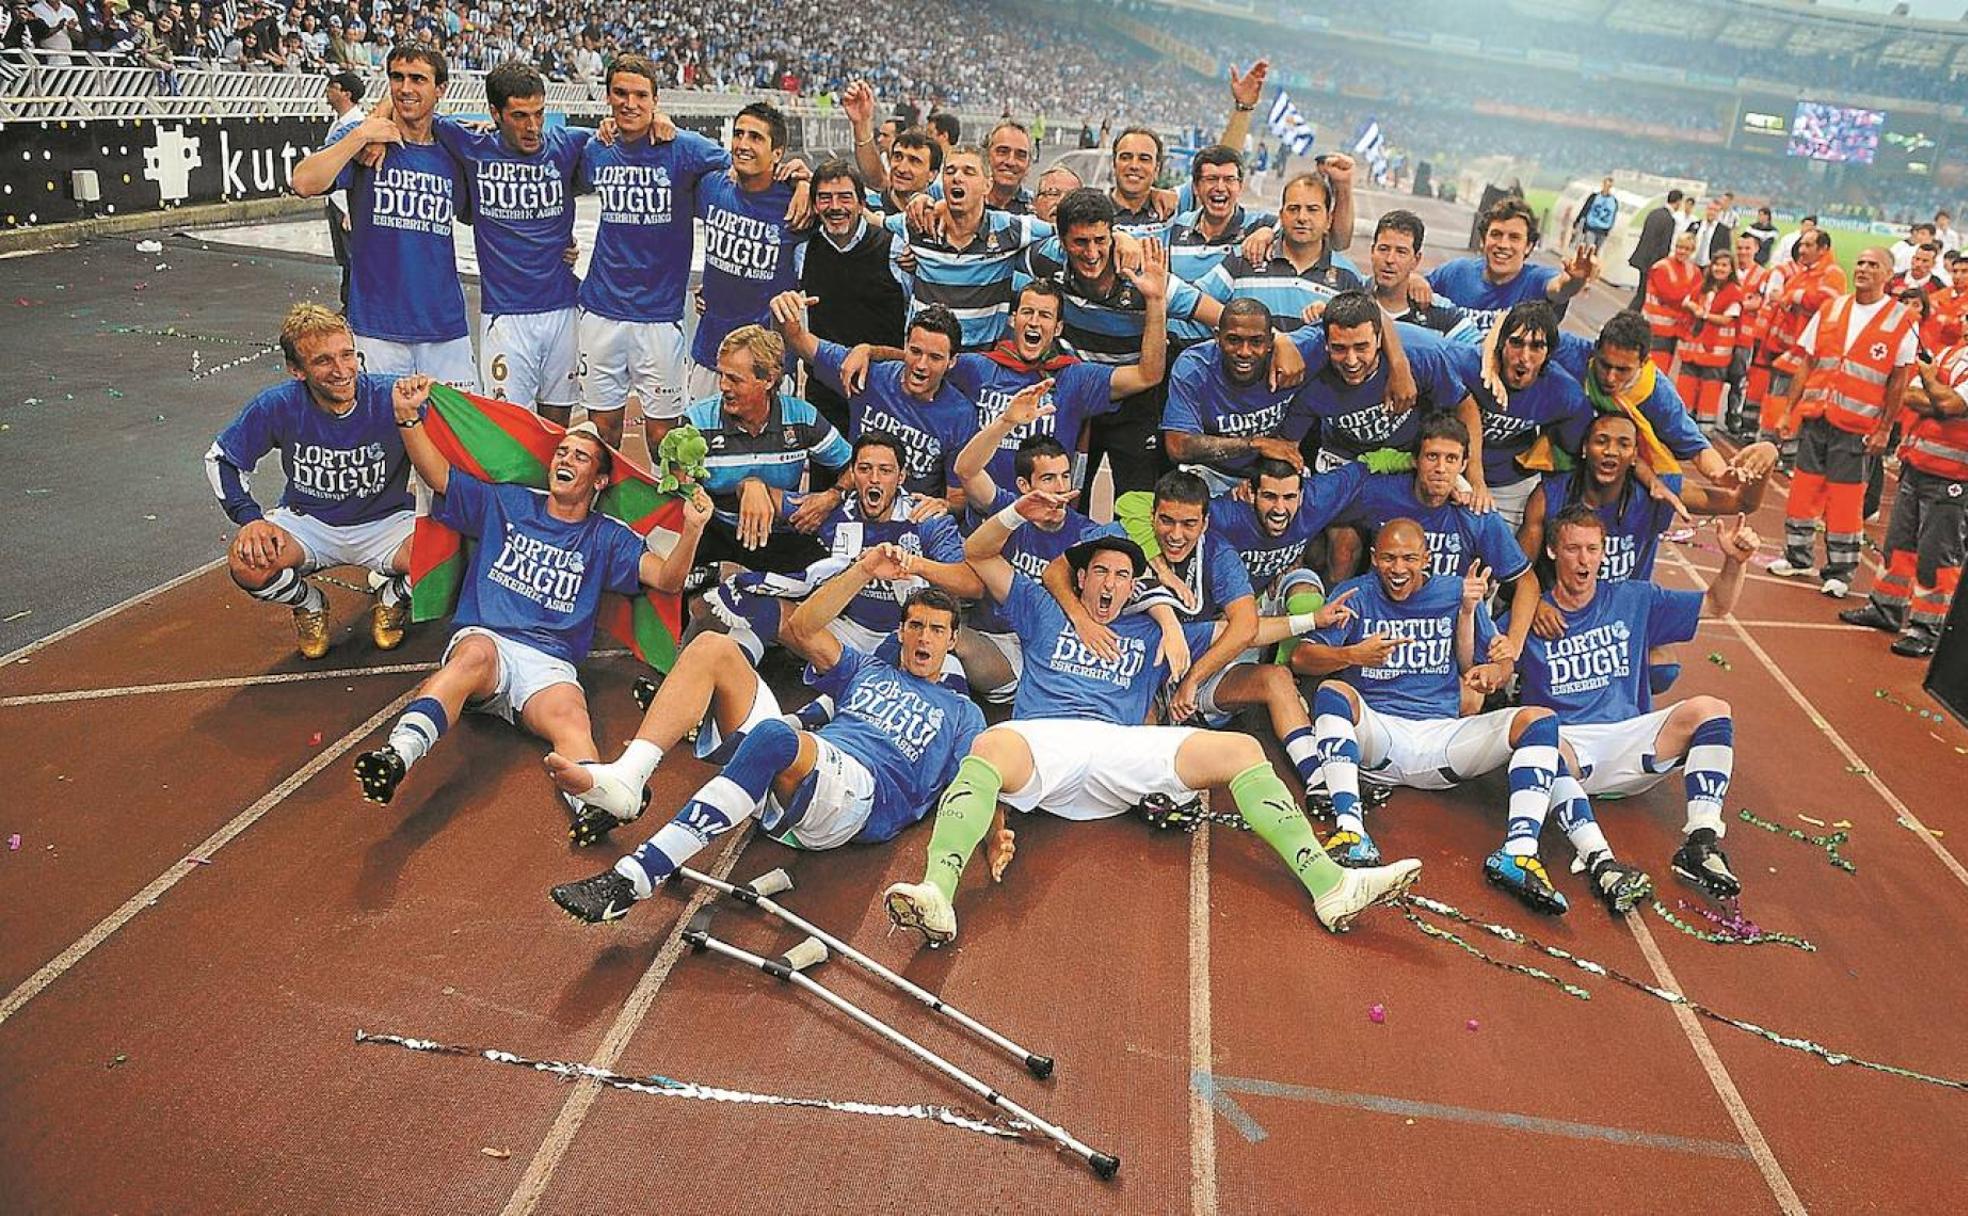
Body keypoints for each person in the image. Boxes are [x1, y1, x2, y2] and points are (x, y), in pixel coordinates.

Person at [881, 502, 1422, 944]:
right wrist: (1018, 512)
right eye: (1101, 572)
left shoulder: (1151, 632)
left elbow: (1251, 630)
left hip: (1123, 746)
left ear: (1135, 585)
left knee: (1240, 752)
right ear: (1083, 577)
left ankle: (1330, 887)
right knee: (991, 743)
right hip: (1046, 741)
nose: (1110, 583)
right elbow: (979, 553)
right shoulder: (1042, 606)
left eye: (1122, 574)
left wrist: (1311, 620)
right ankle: (936, 893)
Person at [547, 555, 986, 921]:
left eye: (936, 629)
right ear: (900, 632)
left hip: (861, 799)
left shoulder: (964, 713)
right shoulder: (868, 669)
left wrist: (995, 833)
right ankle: (627, 779)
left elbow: (980, 783)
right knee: (713, 649)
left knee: (776, 736)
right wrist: (864, 571)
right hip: (798, 777)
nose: (923, 637)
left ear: (952, 640)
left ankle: (634, 878)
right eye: (916, 626)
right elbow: (804, 629)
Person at [355, 382, 694, 810]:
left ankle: (592, 805)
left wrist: (694, 529)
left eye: (580, 457)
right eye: (562, 453)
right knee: (471, 657)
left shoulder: (607, 537)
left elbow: (667, 578)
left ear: (601, 480)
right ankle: (398, 754)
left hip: (550, 664)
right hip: (488, 643)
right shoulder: (509, 503)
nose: (565, 460)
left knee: (571, 715)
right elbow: (439, 476)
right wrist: (408, 417)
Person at [1292, 518, 1569, 914]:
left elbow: (1499, 660)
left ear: (1427, 559)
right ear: (1373, 559)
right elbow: (1302, 657)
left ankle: (1519, 853)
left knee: (1540, 721)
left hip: (1443, 739)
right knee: (1333, 692)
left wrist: (1494, 672)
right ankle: (1351, 831)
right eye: (1388, 558)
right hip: (1379, 738)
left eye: (1408, 558)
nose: (1398, 568)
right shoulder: (1355, 594)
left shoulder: (1457, 593)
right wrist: (1352, 655)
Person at [1513, 505, 1758, 903]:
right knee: (1538, 741)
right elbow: (1487, 661)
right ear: (1554, 552)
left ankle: (1702, 840)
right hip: (1570, 750)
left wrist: (1734, 561)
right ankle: (1600, 861)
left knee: (1711, 707)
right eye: (1573, 548)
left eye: (1593, 549)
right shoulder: (1529, 614)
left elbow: (1716, 605)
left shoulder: (1634, 598)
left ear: (1604, 552)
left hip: (1633, 740)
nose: (1584, 559)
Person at [205, 304, 415, 661]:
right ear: (296, 370)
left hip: (387, 521)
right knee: (247, 563)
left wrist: (435, 397)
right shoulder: (278, 405)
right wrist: (250, 519)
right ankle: (309, 604)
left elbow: (465, 435)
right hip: (309, 522)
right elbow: (221, 459)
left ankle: (394, 598)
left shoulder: (391, 396)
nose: (341, 370)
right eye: (323, 361)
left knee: (453, 552)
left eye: (347, 355)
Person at [698, 432, 972, 669]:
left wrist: (912, 565)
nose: (874, 479)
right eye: (864, 469)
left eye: (885, 471)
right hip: (842, 633)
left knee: (950, 665)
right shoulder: (834, 511)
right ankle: (724, 685)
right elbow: (776, 498)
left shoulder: (926, 518)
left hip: (906, 638)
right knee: (761, 610)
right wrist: (752, 485)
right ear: (853, 474)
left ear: (901, 476)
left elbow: (970, 585)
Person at [289, 43, 476, 389]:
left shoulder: (451, 148)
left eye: (418, 79)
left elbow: (483, 214)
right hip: (377, 327)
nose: (406, 88)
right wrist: (362, 133)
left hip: (444, 326)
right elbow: (302, 181)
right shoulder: (365, 142)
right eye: (397, 78)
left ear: (440, 90)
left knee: (452, 439)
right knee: (381, 438)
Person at [572, 54, 723, 450]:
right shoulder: (596, 149)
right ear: (607, 97)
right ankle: (608, 511)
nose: (630, 103)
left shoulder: (684, 148)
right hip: (602, 311)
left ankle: (666, 513)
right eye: (620, 93)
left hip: (659, 316)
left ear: (656, 100)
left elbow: (744, 167)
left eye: (640, 95)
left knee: (664, 439)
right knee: (602, 435)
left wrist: (797, 178)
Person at [430, 60, 588, 423]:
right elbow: (412, 104)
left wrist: (659, 120)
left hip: (562, 309)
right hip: (505, 317)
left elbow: (625, 135)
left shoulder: (569, 143)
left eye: (539, 113)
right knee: (510, 428)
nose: (533, 127)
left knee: (556, 426)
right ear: (495, 113)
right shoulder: (471, 143)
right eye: (519, 116)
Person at [1768, 248, 1918, 599]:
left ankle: (1840, 571)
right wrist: (1790, 410)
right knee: (1803, 489)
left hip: (1857, 425)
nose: (1863, 269)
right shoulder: (1831, 308)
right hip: (1818, 416)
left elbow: (1899, 379)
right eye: (1861, 263)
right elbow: (1807, 362)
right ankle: (1797, 556)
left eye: (1873, 265)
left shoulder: (1901, 319)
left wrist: (1884, 428)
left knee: (1846, 500)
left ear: (1888, 275)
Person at [946, 276, 1168, 496]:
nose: (1034, 322)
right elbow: (921, 372)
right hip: (985, 513)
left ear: (1058, 328)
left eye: (1045, 315)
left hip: (1046, 515)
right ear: (1013, 320)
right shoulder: (977, 368)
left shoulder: (1076, 378)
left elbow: (1148, 375)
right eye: (1027, 312)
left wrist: (1156, 301)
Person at [677, 324, 853, 578]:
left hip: (780, 536)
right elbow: (677, 490)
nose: (723, 386)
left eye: (735, 379)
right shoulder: (696, 422)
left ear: (768, 380)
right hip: (716, 531)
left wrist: (832, 496)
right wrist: (747, 487)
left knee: (827, 580)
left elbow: (853, 466)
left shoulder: (803, 418)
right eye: (722, 375)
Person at [685, 101, 813, 433]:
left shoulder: (797, 204)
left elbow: (852, 210)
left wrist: (805, 183)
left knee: (764, 462)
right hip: (710, 352)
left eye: (756, 137)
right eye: (739, 134)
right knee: (697, 454)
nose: (743, 144)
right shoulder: (712, 187)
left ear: (778, 152)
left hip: (765, 364)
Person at [772, 292, 971, 502]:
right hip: (851, 507)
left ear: (952, 361)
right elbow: (800, 341)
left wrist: (939, 507)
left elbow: (957, 499)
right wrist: (785, 310)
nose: (921, 365)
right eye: (915, 351)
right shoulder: (871, 375)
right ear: (905, 346)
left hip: (913, 524)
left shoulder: (961, 415)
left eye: (935, 358)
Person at [1839, 343, 1968, 657]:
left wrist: (1932, 384)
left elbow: (1951, 403)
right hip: (1917, 464)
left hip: (1954, 476)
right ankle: (1885, 608)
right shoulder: (1952, 352)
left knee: (1937, 557)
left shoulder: (1942, 361)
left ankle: (1927, 629)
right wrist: (1939, 398)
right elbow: (1913, 397)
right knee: (1898, 544)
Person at [887, 145, 1052, 350]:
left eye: (968, 171)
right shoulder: (919, 224)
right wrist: (917, 199)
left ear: (987, 185)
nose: (957, 177)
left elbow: (1062, 233)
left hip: (981, 367)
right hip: (926, 363)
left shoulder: (1009, 230)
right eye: (950, 171)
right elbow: (871, 220)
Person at [1451, 301, 1591, 527]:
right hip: (1452, 472)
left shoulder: (1565, 394)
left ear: (1549, 354)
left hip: (1511, 484)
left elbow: (1573, 452)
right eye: (1516, 343)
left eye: (1536, 347)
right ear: (1501, 345)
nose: (1524, 357)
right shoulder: (1464, 365)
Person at [1291, 291, 1460, 474]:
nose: (1351, 360)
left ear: (1380, 339)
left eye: (1361, 347)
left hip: (1408, 462)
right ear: (1325, 343)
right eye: (1339, 348)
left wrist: (1475, 478)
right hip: (1342, 466)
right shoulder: (1310, 370)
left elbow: (1464, 403)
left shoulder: (1421, 356)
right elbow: (1288, 445)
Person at [798, 159, 909, 437]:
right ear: (814, 205)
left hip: (882, 391)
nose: (835, 207)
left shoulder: (894, 249)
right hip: (825, 391)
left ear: (862, 203)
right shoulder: (803, 252)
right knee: (826, 476)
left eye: (845, 197)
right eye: (825, 198)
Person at [1161, 298, 1316, 493]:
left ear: (1270, 341)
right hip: (1212, 471)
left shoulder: (1299, 351)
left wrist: (1321, 309)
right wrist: (1256, 444)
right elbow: (1177, 446)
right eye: (1234, 340)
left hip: (1270, 472)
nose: (1244, 351)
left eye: (1256, 341)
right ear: (1218, 337)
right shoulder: (1194, 367)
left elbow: (1344, 322)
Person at [1196, 170, 1365, 329]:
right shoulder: (1245, 257)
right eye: (1293, 209)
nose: (1302, 218)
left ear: (1329, 220)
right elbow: (1196, 299)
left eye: (1312, 210)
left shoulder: (1347, 276)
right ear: (1281, 215)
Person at [1754, 228, 1847, 447]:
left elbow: (1826, 301)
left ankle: (1783, 446)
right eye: (1801, 245)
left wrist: (1794, 296)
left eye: (1807, 245)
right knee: (1778, 397)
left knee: (1792, 399)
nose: (1801, 250)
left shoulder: (1831, 274)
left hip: (1807, 352)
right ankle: (1772, 444)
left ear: (1823, 249)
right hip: (1788, 347)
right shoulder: (1805, 273)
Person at [1426, 195, 1595, 314]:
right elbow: (1410, 290)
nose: (1503, 245)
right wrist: (1414, 280)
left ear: (1528, 246)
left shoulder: (1536, 280)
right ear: (1483, 240)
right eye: (1496, 234)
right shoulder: (1456, 272)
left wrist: (1576, 280)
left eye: (1514, 237)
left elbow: (1560, 289)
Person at [1366, 210, 1483, 341]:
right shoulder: (1352, 291)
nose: (1390, 259)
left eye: (1401, 252)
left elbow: (1481, 352)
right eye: (1383, 249)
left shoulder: (1440, 311)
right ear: (1372, 251)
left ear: (1416, 260)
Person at [1675, 249, 1744, 427]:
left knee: (1710, 392)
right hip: (1694, 350)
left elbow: (1728, 319)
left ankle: (1704, 427)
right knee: (1686, 387)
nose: (1719, 269)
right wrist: (1694, 307)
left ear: (1731, 269)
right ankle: (1682, 422)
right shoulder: (1703, 286)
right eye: (1717, 264)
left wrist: (1704, 315)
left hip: (1716, 355)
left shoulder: (1734, 293)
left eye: (1724, 265)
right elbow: (1686, 300)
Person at [319, 69, 366, 310]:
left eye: (333, 86)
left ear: (346, 93)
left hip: (346, 203)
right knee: (345, 257)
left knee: (353, 258)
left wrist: (351, 210)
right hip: (336, 200)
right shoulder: (339, 123)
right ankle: (349, 304)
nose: (328, 90)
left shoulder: (356, 125)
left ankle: (355, 307)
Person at [1642, 230, 1701, 373]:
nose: (1682, 251)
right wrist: (1689, 304)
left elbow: (1698, 295)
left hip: (1674, 330)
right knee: (1650, 370)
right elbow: (1670, 296)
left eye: (1686, 249)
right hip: (1654, 327)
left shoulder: (1695, 271)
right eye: (1679, 247)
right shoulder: (1661, 267)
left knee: (1662, 371)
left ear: (1692, 251)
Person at [1626, 190, 1683, 312]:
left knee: (1641, 292)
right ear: (1678, 202)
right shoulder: (1669, 220)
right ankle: (1628, 317)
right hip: (1652, 262)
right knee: (1643, 294)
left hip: (1642, 258)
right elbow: (1664, 246)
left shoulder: (1654, 213)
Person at [1684, 196, 1731, 268]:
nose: (1712, 212)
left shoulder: (1724, 231)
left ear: (1719, 212)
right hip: (1691, 265)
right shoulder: (1694, 225)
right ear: (1706, 209)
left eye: (1715, 210)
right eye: (1710, 209)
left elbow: (1725, 252)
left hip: (1710, 267)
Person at [1574, 175, 1619, 251]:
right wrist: (1577, 222)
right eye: (1606, 185)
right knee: (1589, 248)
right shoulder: (1594, 197)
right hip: (1591, 228)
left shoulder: (1614, 201)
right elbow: (1585, 209)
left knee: (1596, 251)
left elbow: (1613, 216)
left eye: (1609, 186)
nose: (1607, 188)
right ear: (1603, 185)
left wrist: (1609, 229)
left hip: (1603, 230)